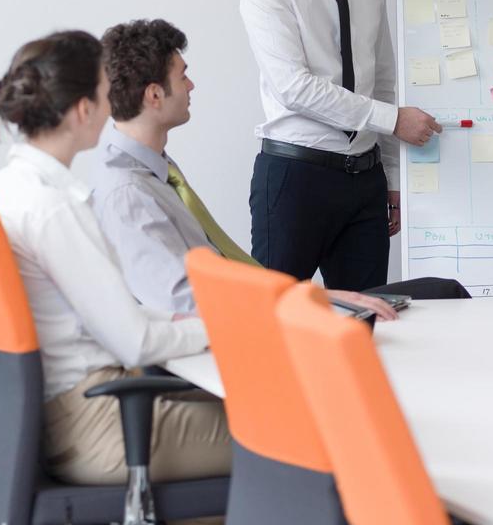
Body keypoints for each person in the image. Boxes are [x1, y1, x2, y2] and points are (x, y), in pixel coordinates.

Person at [84, 18, 466, 320]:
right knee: (435, 299)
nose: (192, 84)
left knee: (433, 295)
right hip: (257, 334)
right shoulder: (127, 193)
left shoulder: (155, 171)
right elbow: (183, 305)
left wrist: (311, 297)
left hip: (271, 309)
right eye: (182, 75)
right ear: (154, 95)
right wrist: (306, 301)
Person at [0, 30, 231, 488]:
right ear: (83, 109)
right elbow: (134, 342)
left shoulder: (4, 189)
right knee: (293, 432)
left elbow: (113, 315)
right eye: (103, 90)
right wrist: (226, 327)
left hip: (64, 414)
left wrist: (182, 322)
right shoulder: (57, 208)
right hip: (98, 424)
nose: (113, 99)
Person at [239, 0, 442, 291]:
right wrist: (392, 121)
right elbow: (294, 87)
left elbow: (381, 75)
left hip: (364, 182)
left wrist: (391, 175)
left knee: (366, 323)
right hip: (295, 177)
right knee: (277, 323)